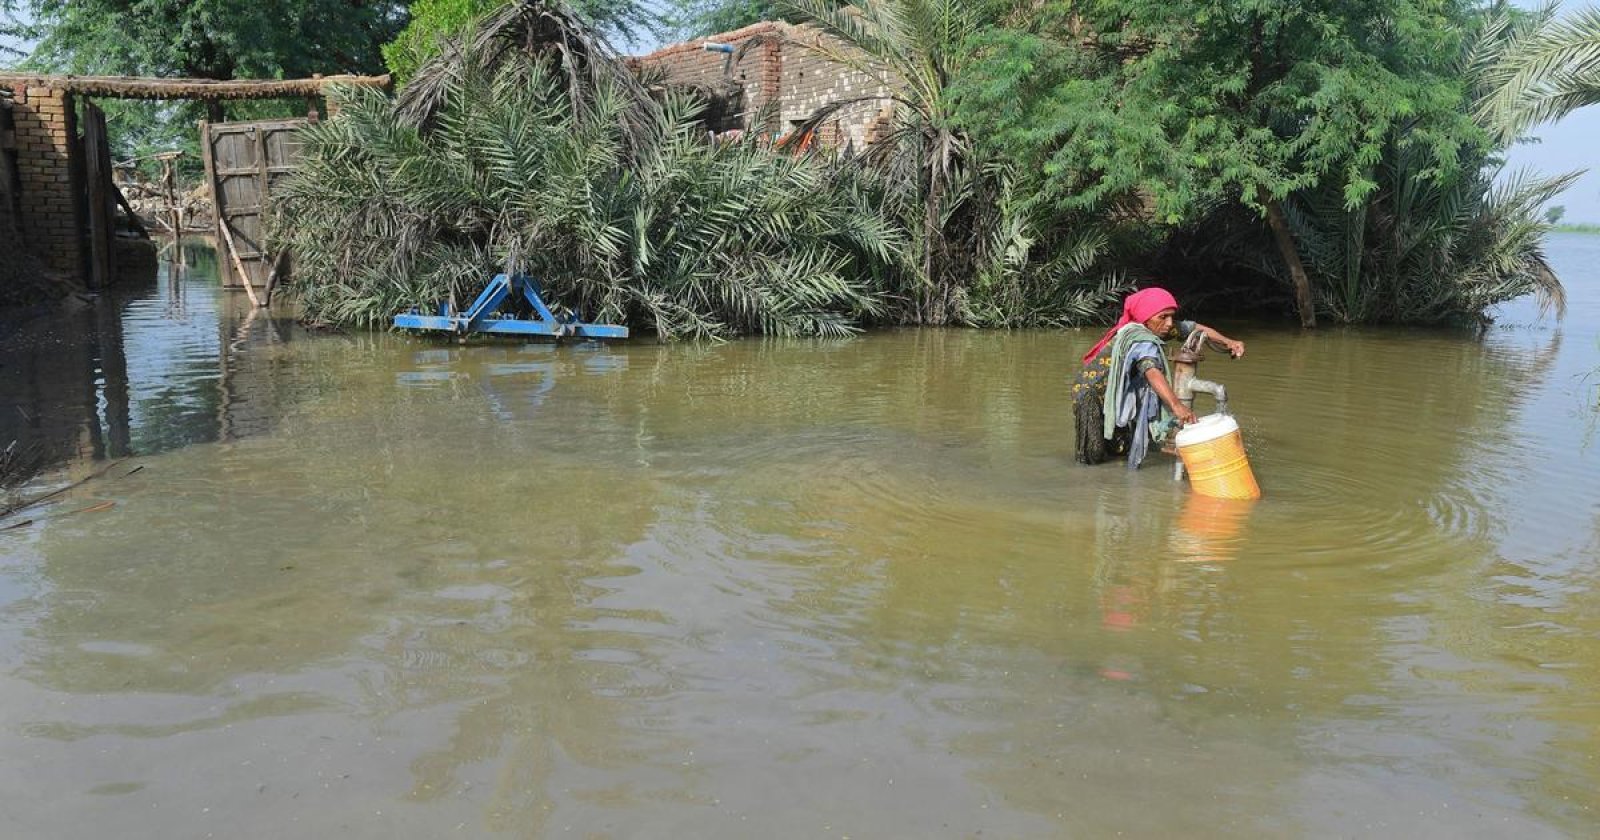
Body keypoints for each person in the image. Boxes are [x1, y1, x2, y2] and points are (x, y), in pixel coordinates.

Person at [1072, 287, 1245, 468]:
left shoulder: (1156, 327)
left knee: (1119, 448)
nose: (1170, 323)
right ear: (1146, 318)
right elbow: (1152, 371)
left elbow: (1195, 328)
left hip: (1118, 396)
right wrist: (1177, 406)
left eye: (1171, 316)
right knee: (1093, 453)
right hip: (1089, 394)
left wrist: (1229, 342)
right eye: (1163, 317)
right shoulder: (1140, 339)